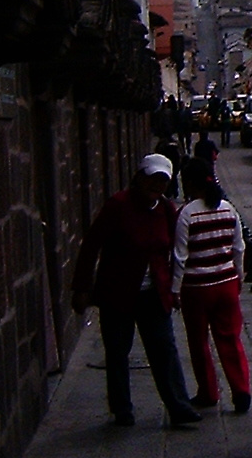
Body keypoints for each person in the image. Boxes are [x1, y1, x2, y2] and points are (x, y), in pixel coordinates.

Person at [71, 154, 202, 427]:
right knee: (118, 351)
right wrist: (82, 287)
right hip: (117, 292)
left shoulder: (165, 210)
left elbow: (177, 251)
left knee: (164, 348)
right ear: (140, 177)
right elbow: (91, 245)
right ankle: (122, 409)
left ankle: (179, 406)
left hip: (153, 293)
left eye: (162, 181)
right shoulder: (118, 206)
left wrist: (175, 287)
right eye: (152, 179)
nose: (156, 186)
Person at [172, 152, 251, 414]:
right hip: (226, 283)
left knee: (199, 341)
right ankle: (241, 390)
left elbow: (180, 256)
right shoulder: (229, 209)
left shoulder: (187, 214)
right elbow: (239, 247)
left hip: (196, 288)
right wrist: (238, 276)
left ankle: (208, 391)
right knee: (230, 338)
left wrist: (174, 289)